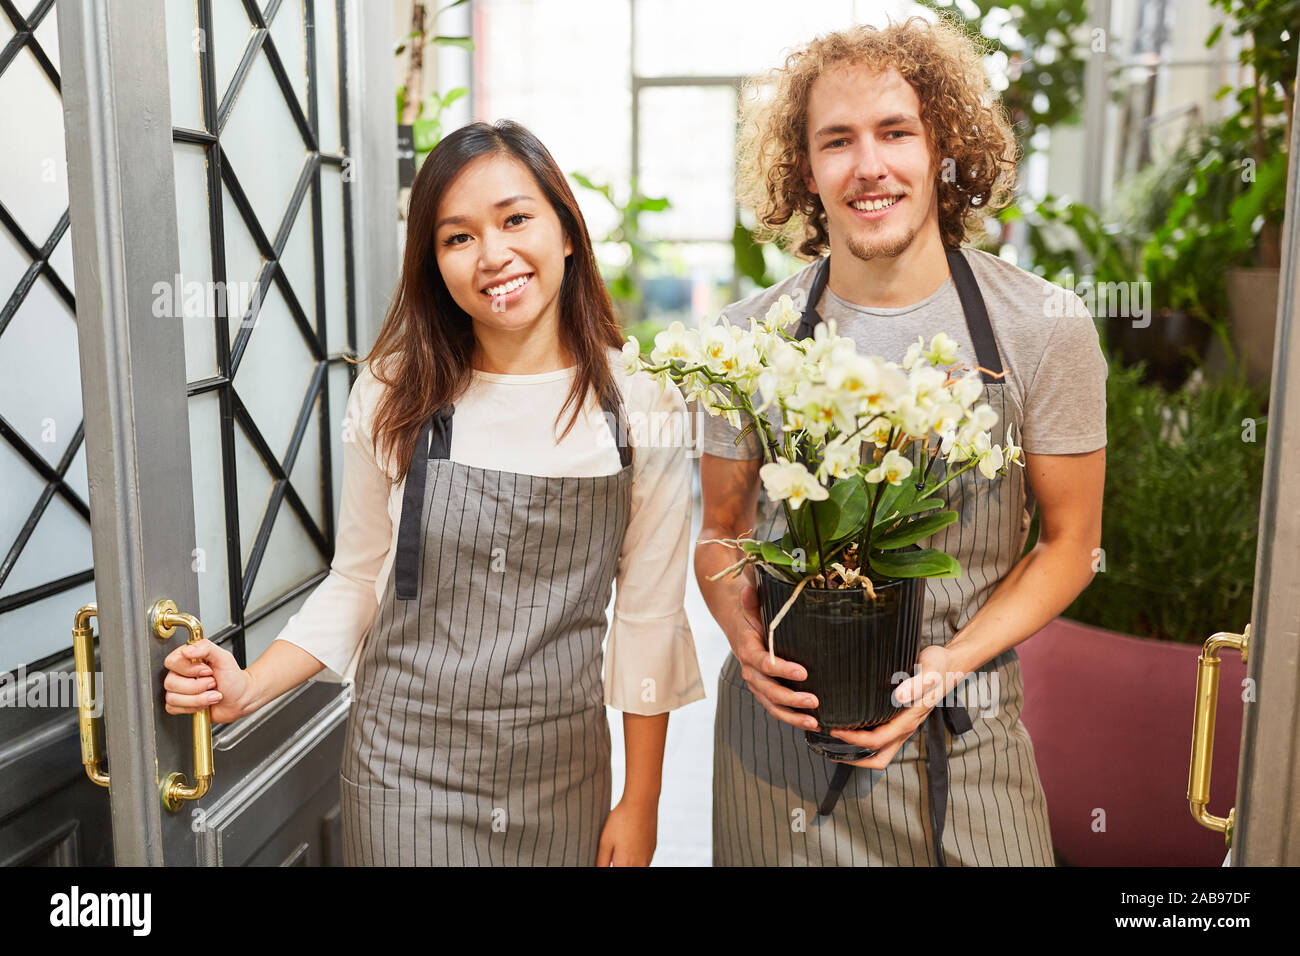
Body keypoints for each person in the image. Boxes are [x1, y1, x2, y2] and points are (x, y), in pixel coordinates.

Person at [162, 120, 705, 867]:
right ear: (434, 261)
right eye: (458, 237)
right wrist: (249, 687)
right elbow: (357, 582)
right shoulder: (394, 393)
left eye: (516, 219)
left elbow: (649, 619)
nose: (494, 255)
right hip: (405, 770)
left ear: (567, 231)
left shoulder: (640, 406)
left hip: (564, 771)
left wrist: (640, 802)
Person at [698, 17, 1107, 866]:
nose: (869, 166)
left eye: (896, 132)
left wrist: (949, 665)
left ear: (943, 148)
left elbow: (1071, 545)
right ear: (805, 170)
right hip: (782, 759)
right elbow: (721, 533)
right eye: (836, 140)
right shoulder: (751, 342)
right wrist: (743, 640)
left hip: (964, 740)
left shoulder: (1041, 330)